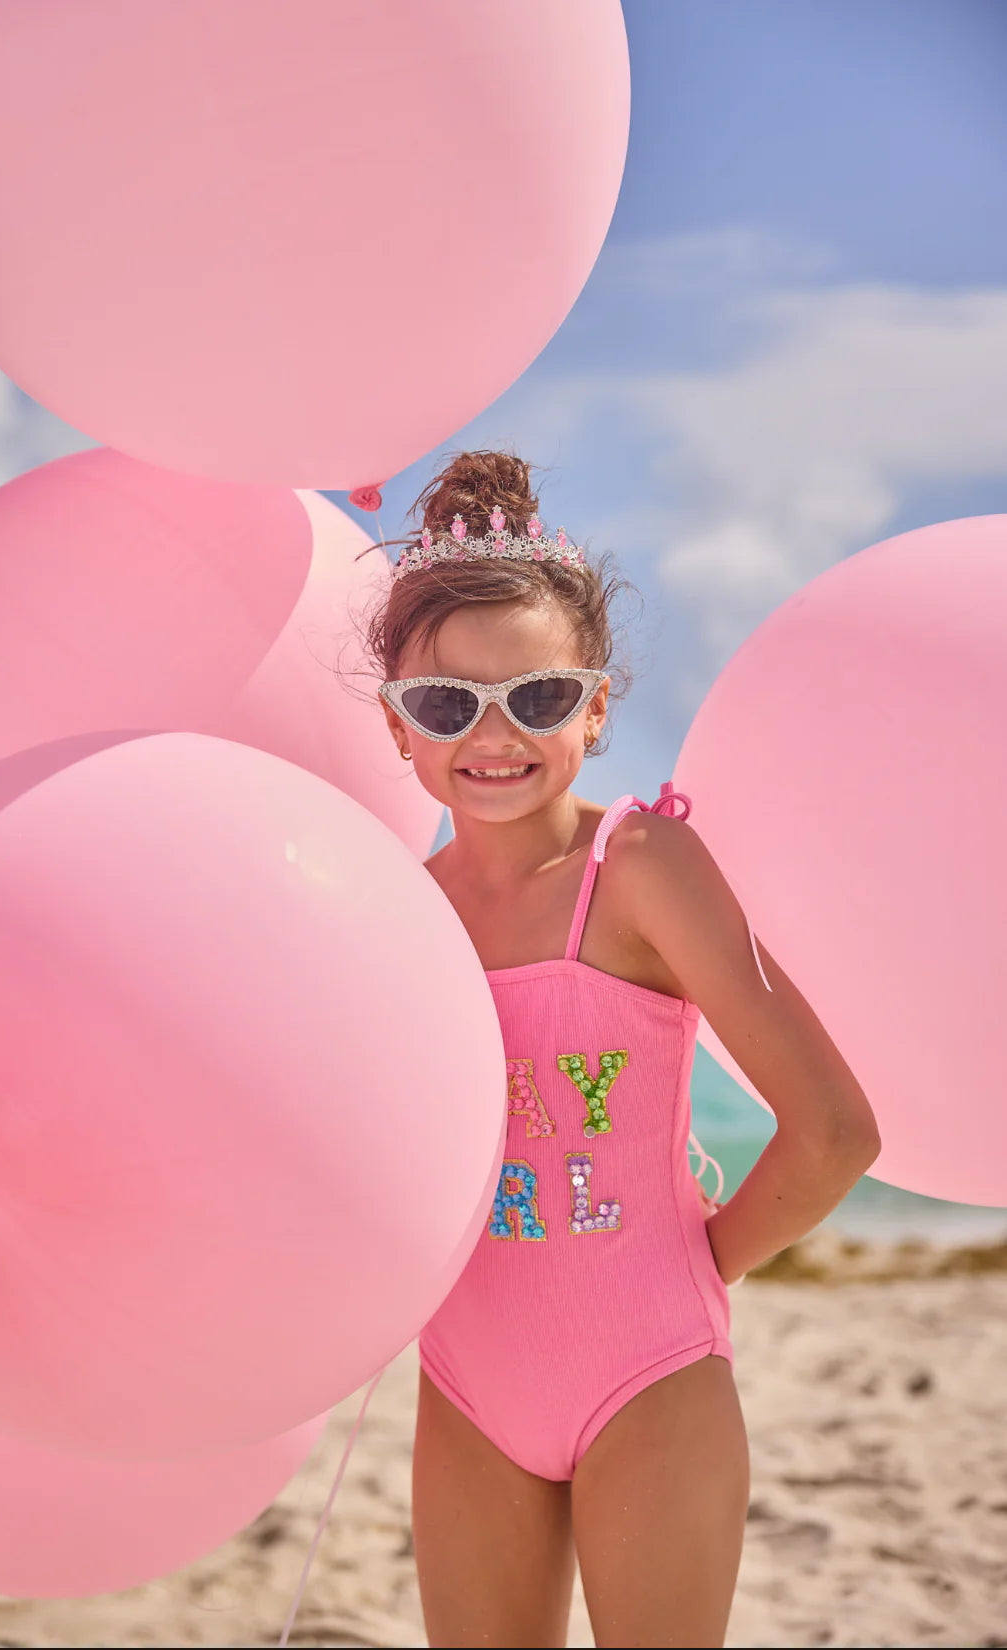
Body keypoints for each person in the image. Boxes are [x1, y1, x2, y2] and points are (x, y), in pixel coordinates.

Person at [368, 450, 880, 1650]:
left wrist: (702, 1271)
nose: (494, 735)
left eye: (538, 697)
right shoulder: (395, 911)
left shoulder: (642, 869)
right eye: (447, 704)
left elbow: (836, 1133)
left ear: (597, 708)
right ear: (398, 728)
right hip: (464, 1387)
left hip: (650, 1375)